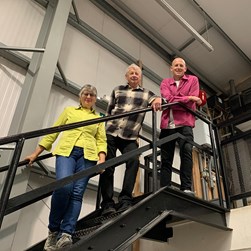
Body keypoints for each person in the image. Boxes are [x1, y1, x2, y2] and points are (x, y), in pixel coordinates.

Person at [25, 84, 107, 250]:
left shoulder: (99, 117)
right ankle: (53, 231)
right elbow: (54, 132)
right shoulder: (69, 111)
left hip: (88, 156)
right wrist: (36, 153)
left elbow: (101, 140)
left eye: (92, 95)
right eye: (86, 93)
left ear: (94, 99)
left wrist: (102, 159)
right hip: (66, 152)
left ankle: (66, 234)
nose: (88, 97)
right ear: (80, 96)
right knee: (64, 186)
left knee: (77, 194)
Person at [99, 63, 162, 215]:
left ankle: (125, 199)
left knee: (133, 160)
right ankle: (107, 204)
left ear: (140, 78)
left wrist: (157, 99)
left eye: (137, 74)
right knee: (108, 165)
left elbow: (157, 99)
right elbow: (109, 112)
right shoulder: (117, 89)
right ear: (126, 76)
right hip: (111, 132)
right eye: (131, 73)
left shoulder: (146, 93)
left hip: (130, 136)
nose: (134, 75)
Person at [159, 57, 202, 195]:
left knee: (186, 154)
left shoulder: (193, 80)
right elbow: (167, 99)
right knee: (166, 159)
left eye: (181, 65)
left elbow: (187, 103)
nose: (178, 67)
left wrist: (176, 100)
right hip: (167, 125)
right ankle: (164, 188)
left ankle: (186, 187)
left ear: (185, 68)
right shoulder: (165, 82)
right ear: (171, 68)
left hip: (185, 124)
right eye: (175, 65)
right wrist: (188, 98)